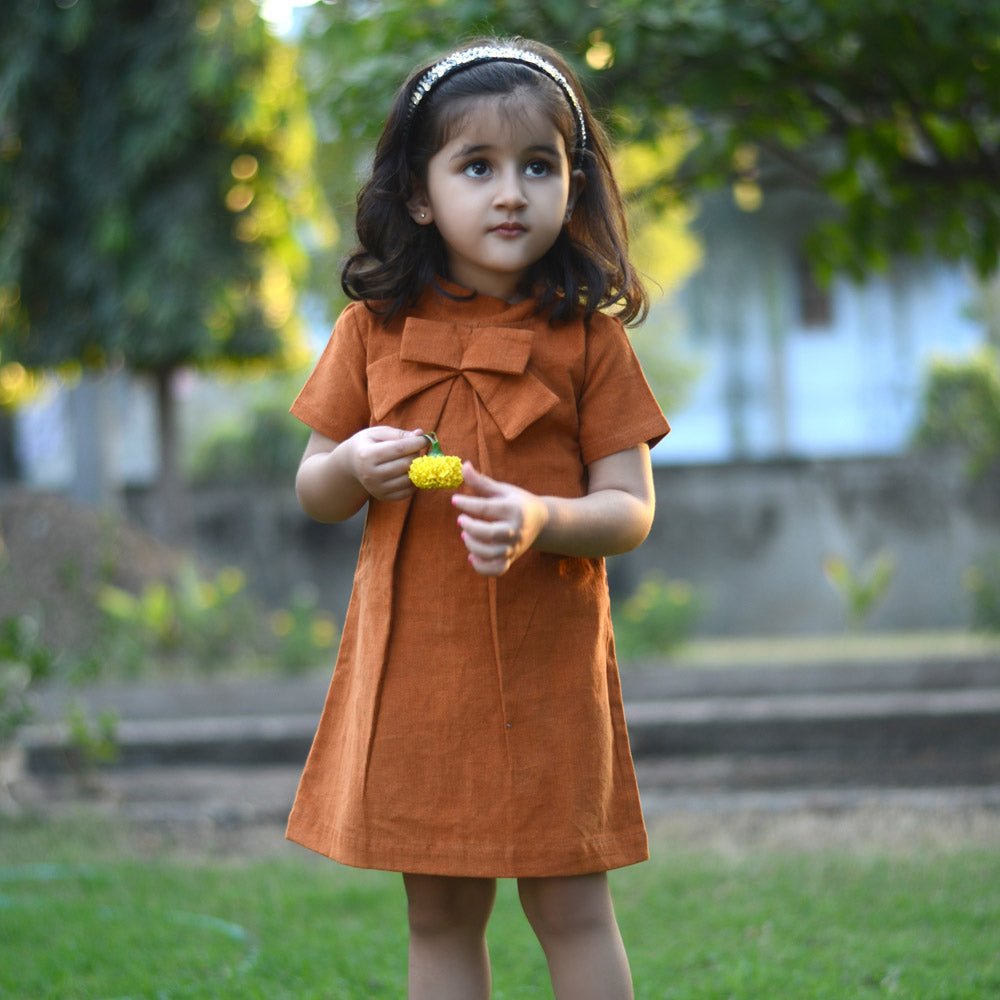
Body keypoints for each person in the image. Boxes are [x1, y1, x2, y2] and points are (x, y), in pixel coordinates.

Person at [286, 37, 670, 1000]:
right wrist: (352, 466)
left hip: (547, 667)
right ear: (420, 194)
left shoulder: (587, 339)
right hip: (421, 671)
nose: (511, 193)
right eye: (477, 167)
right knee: (440, 913)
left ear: (573, 188)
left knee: (572, 904)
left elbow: (629, 508)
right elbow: (312, 489)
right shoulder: (370, 330)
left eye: (539, 166)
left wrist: (543, 517)